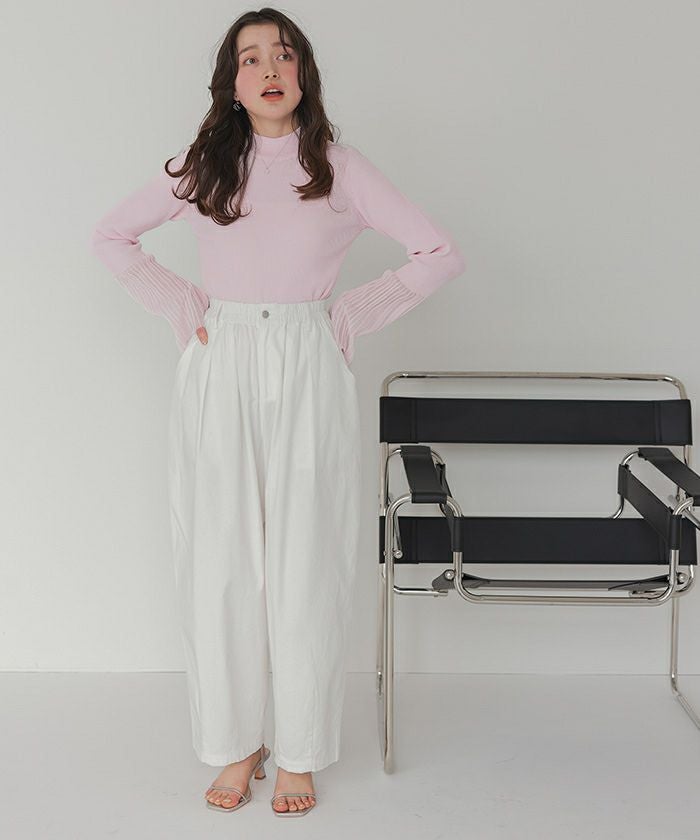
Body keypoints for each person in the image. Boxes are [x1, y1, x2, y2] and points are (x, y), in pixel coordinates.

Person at [90, 7, 465, 818]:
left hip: (308, 358)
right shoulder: (204, 166)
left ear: (303, 74)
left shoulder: (338, 167)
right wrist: (179, 301)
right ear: (231, 83)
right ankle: (237, 742)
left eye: (283, 55)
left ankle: (299, 750)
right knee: (219, 557)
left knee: (307, 556)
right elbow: (113, 236)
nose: (269, 69)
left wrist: (353, 313)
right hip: (220, 357)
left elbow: (438, 251)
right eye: (251, 57)